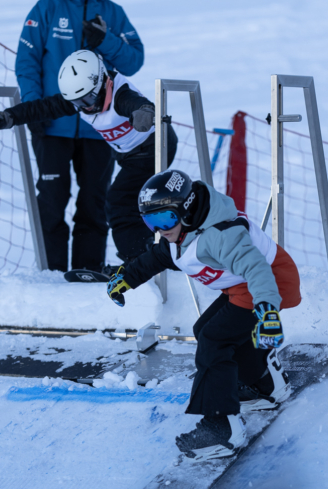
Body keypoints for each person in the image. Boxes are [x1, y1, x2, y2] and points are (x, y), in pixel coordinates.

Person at [105, 169, 302, 460]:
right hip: (242, 286)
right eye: (151, 222)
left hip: (267, 284)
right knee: (205, 329)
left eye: (165, 219)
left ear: (186, 209)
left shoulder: (220, 235)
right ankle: (264, 384)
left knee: (214, 339)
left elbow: (257, 268)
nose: (160, 229)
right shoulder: (182, 232)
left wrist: (268, 311)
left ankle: (222, 428)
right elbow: (159, 256)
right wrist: (127, 277)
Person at [15, 0, 145, 272]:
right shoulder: (46, 9)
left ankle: (88, 271)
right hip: (53, 126)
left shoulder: (113, 13)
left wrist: (106, 41)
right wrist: (33, 107)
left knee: (94, 201)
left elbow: (133, 61)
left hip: (99, 127)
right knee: (51, 200)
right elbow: (27, 62)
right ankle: (51, 273)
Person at [0, 49, 177, 267]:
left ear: (103, 81)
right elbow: (43, 107)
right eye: (77, 102)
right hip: (130, 155)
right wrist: (7, 117)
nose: (86, 107)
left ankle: (140, 261)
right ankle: (149, 254)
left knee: (118, 202)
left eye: (89, 98)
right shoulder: (82, 100)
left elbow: (138, 103)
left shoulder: (120, 95)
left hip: (154, 149)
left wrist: (145, 112)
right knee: (131, 203)